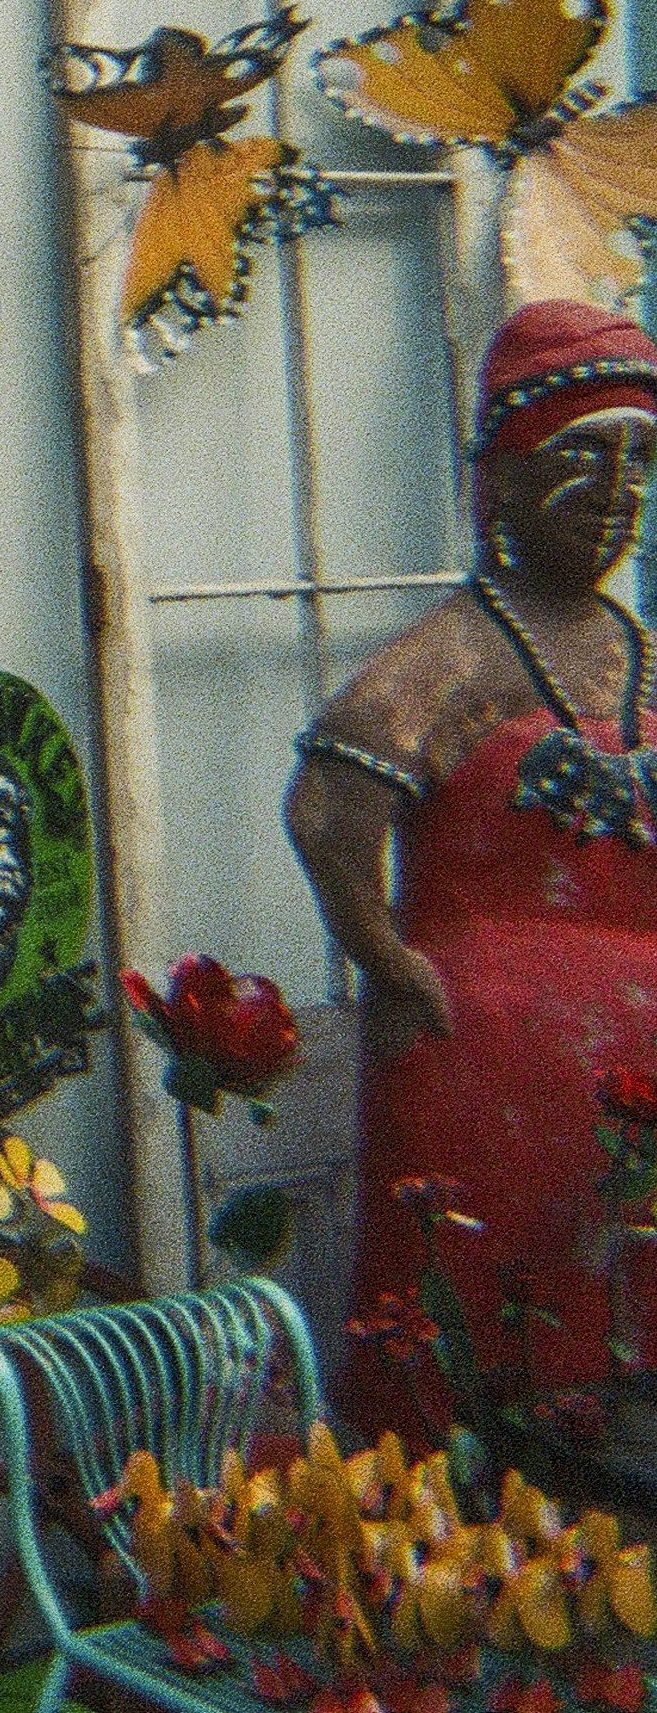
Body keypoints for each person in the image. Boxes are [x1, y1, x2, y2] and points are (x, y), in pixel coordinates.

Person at [287, 298, 657, 1434]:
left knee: (619, 1335)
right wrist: (387, 962)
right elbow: (329, 807)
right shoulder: (457, 653)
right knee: (470, 1339)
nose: (615, 489)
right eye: (579, 457)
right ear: (500, 478)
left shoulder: (631, 649)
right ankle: (461, 1574)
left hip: (630, 1066)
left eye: (642, 459)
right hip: (483, 1059)